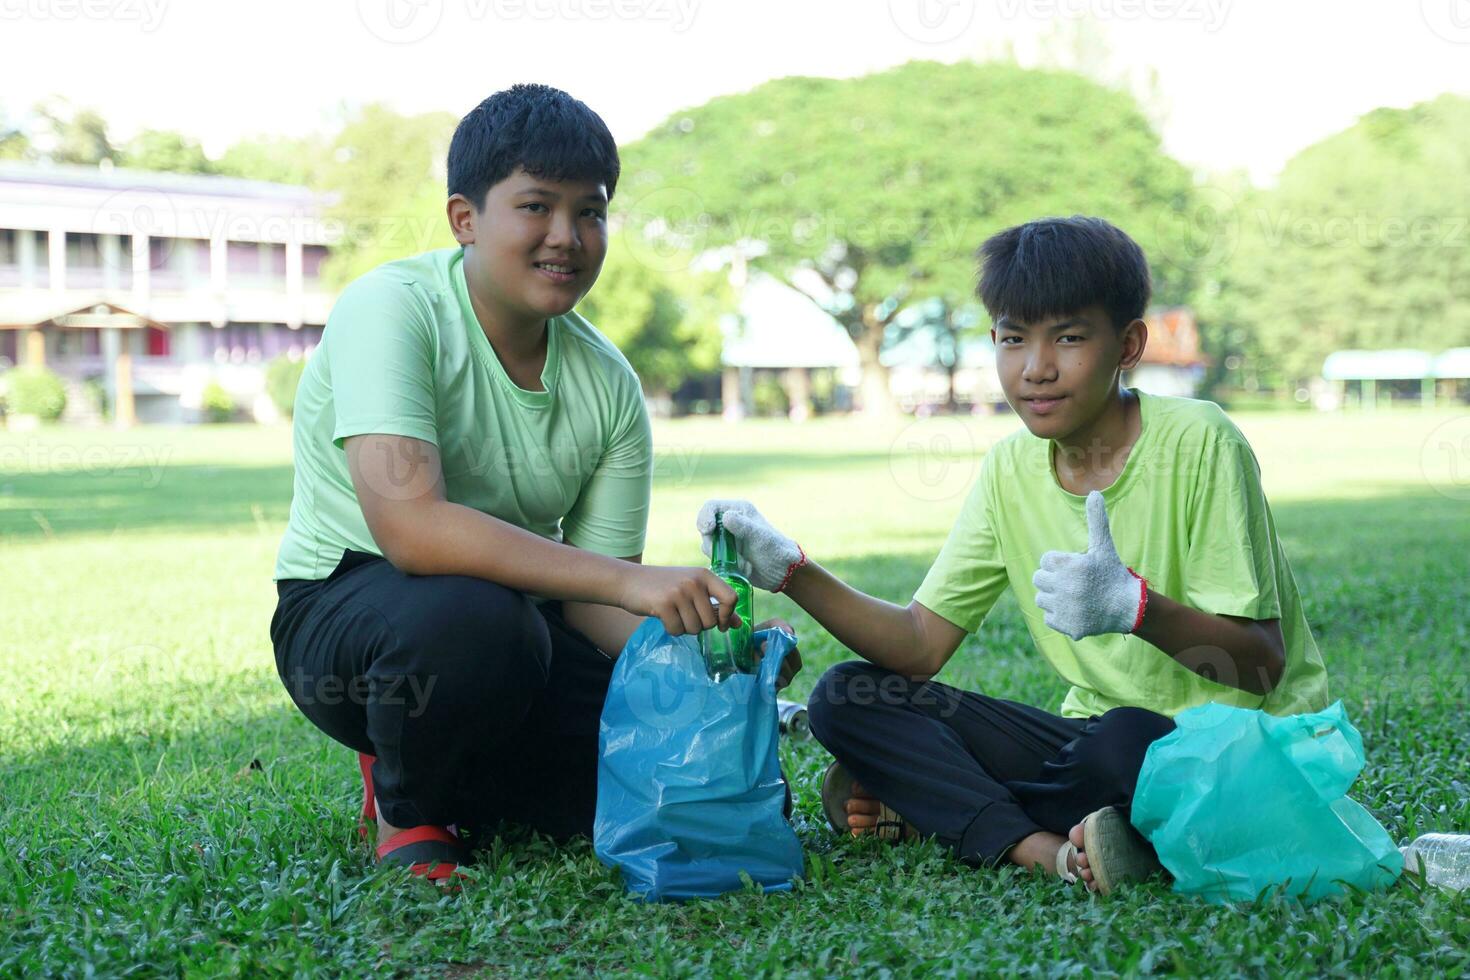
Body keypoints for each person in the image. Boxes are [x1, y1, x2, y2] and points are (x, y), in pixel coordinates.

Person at [698, 215, 1330, 894]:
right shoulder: (1009, 469)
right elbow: (917, 645)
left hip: (1239, 756)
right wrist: (793, 570)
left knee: (1123, 743)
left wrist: (1136, 608)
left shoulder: (1200, 442)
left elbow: (1261, 667)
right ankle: (1051, 850)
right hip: (1086, 746)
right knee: (849, 697)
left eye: (1068, 337)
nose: (1036, 368)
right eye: (1011, 338)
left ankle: (941, 809)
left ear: (1128, 345)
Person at [270, 84, 794, 884]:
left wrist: (710, 657)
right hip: (355, 610)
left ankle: (465, 766)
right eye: (537, 207)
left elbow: (591, 608)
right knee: (478, 626)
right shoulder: (392, 310)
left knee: (651, 770)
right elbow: (411, 531)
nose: (567, 237)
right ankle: (411, 807)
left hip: (524, 623)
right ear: (464, 218)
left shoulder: (609, 386)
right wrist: (632, 582)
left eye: (591, 212)